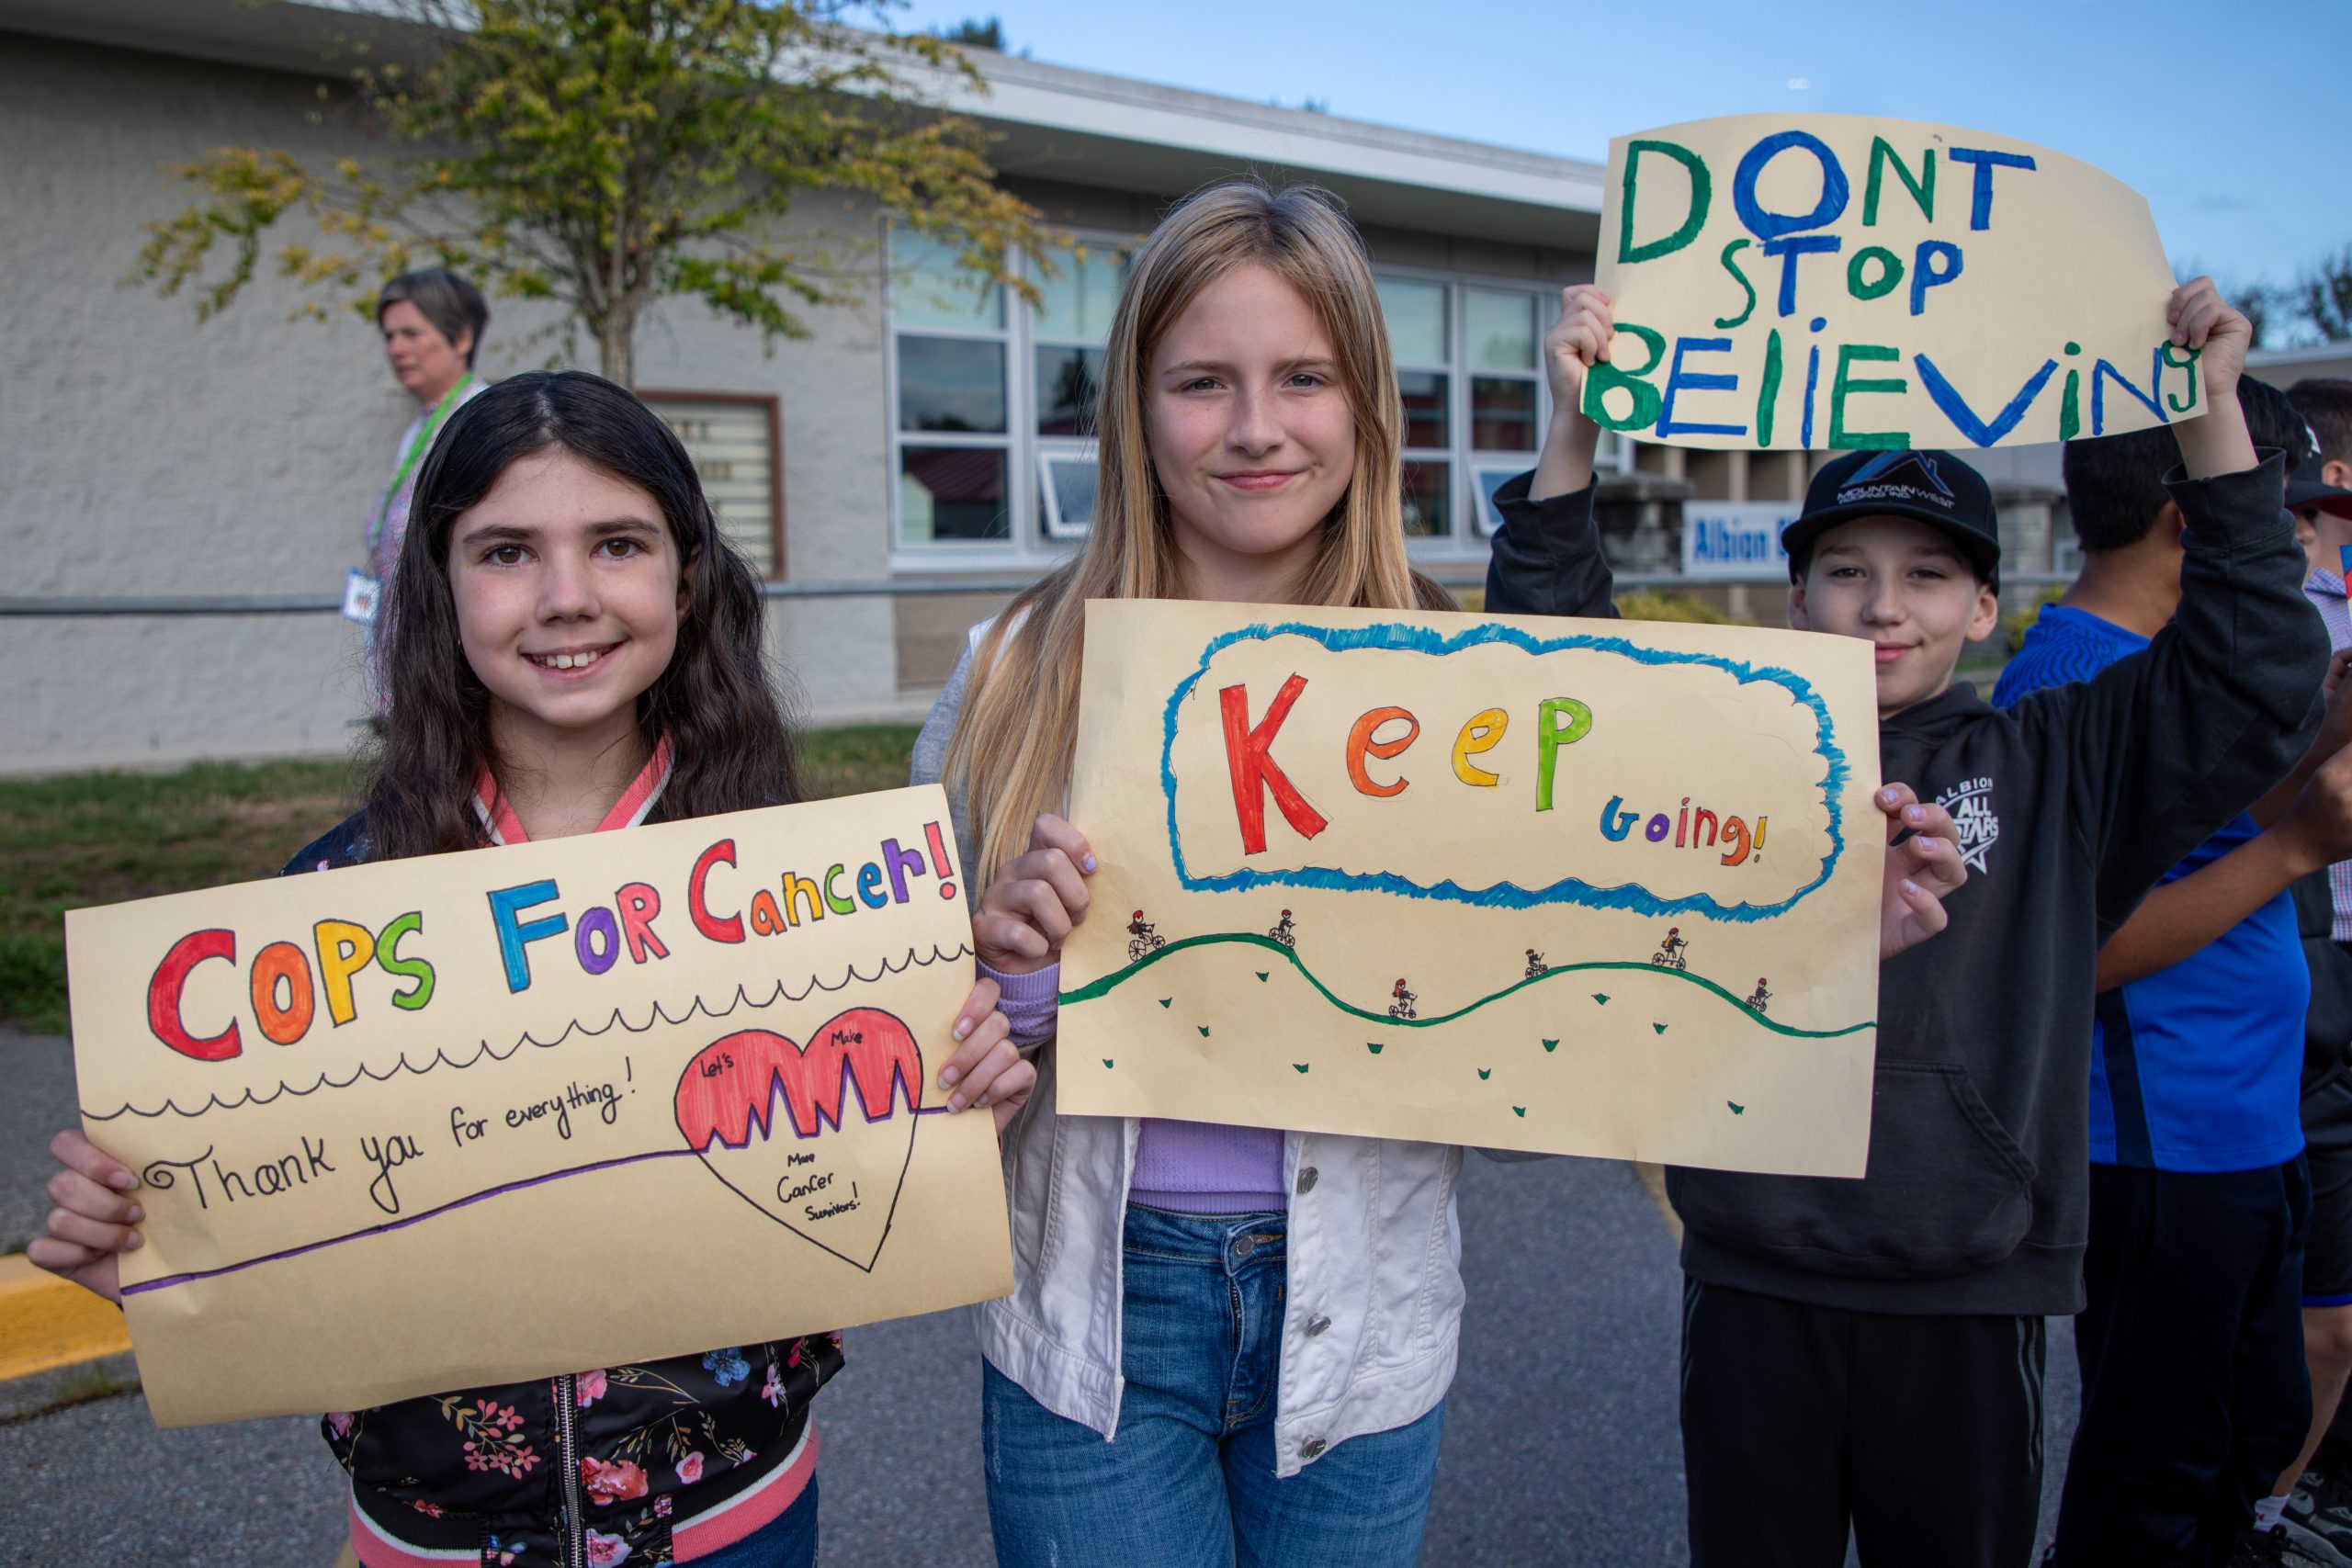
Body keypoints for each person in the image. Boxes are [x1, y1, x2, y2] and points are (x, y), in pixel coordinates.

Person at [911, 180, 1965, 1568]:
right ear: (1131, 404)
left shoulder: (1475, 690)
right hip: (1089, 1325)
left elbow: (1557, 1021)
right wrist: (1017, 987)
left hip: (1364, 1316)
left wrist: (1812, 938)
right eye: (1200, 381)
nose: (1253, 427)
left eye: (1303, 377)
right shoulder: (1013, 674)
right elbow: (896, 1069)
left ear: (1368, 407)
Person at [31, 372, 1033, 1568]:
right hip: (431, 1533)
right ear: (437, 586)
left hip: (737, 1514)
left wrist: (958, 1085)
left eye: (617, 543)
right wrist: (141, 1256)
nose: (566, 597)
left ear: (687, 576)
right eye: (507, 550)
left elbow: (870, 1172)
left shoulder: (811, 897)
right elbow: (264, 1261)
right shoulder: (322, 918)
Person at [1484, 278, 2328, 1567]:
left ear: (1985, 609)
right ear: (1795, 600)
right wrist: (1573, 434)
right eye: (1847, 571)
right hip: (1758, 1264)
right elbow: (1560, 662)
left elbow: (2254, 671)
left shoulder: (2057, 755)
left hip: (1972, 1276)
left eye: (1930, 574)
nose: (1886, 605)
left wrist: (2211, 421)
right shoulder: (1719, 747)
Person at [1993, 378, 2352, 1566]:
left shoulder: (2156, 658)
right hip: (2157, 1149)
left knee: (2247, 1441)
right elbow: (2071, 948)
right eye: (2289, 513)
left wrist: (2321, 743)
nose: (2307, 544)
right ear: (2193, 518)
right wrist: (2300, 846)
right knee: (2153, 1476)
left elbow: (2211, 819)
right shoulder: (2072, 681)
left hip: (2244, 1128)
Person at [349, 270, 494, 637]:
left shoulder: (483, 421)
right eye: (389, 336)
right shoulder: (419, 429)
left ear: (461, 338)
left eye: (411, 334)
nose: (396, 349)